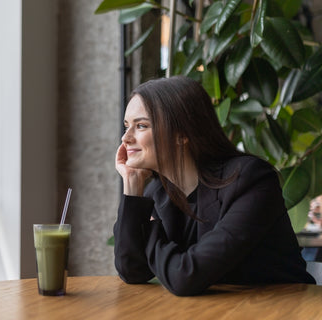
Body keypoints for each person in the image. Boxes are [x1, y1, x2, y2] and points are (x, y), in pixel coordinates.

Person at [113, 76, 315, 296]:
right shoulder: (157, 192)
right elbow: (132, 271)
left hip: (279, 308)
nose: (126, 138)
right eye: (126, 127)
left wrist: (149, 227)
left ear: (182, 134)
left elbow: (186, 277)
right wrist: (132, 190)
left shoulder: (250, 180)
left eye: (141, 126)